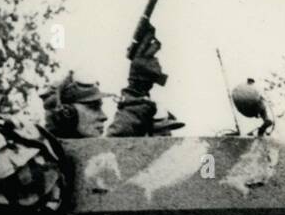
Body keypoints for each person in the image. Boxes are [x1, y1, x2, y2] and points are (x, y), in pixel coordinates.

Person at [40, 25, 182, 139]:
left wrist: (138, 88)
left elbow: (112, 147)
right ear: (66, 114)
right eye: (93, 107)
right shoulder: (45, 157)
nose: (103, 116)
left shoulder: (67, 155)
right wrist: (136, 90)